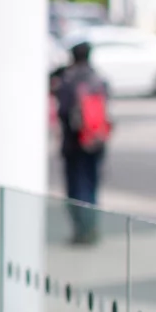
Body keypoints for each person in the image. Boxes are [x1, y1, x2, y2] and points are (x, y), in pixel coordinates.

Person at [55, 41, 110, 245]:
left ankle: (81, 229)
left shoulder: (68, 80)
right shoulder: (99, 78)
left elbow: (63, 111)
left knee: (76, 187)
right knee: (92, 185)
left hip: (75, 143)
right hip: (96, 140)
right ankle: (92, 226)